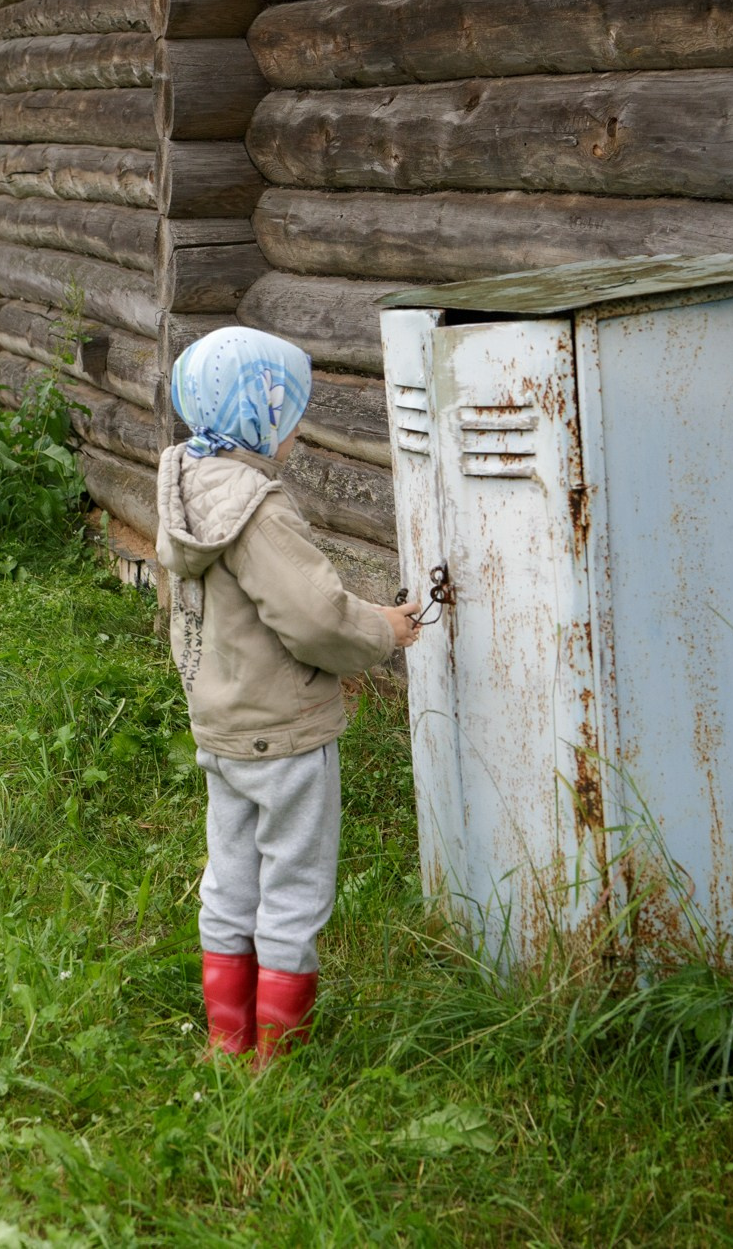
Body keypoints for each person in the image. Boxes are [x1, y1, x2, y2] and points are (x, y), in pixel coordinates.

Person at [155, 326, 423, 1066]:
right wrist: (385, 630)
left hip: (223, 727)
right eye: (290, 411)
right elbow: (313, 617)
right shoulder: (259, 509)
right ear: (257, 414)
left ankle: (226, 1037)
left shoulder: (189, 487)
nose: (298, 428)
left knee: (230, 879)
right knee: (294, 887)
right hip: (287, 729)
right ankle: (275, 1053)